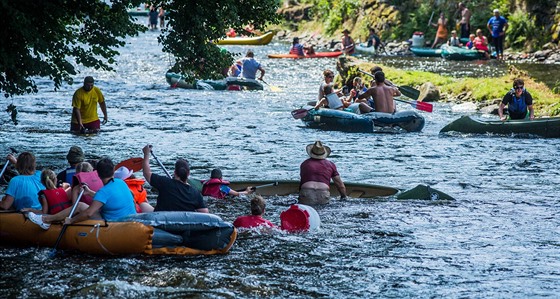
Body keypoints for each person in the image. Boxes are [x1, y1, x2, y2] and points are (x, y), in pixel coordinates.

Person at [28, 158, 137, 229]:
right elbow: (109, 198)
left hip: (114, 224)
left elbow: (88, 213)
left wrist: (71, 220)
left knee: (80, 205)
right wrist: (89, 193)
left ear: (97, 174)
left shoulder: (103, 192)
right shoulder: (120, 182)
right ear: (113, 171)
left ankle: (46, 220)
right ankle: (47, 219)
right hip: (128, 219)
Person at [142, 145, 208, 213]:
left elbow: (146, 173)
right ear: (188, 174)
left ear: (174, 173)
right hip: (183, 221)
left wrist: (146, 154)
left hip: (161, 219)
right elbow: (205, 213)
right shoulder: (195, 193)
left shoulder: (165, 183)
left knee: (142, 203)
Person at [299, 141, 347, 205]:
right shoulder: (330, 165)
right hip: (323, 193)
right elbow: (340, 185)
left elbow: (302, 182)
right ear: (324, 153)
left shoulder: (304, 164)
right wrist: (344, 197)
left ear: (311, 152)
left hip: (306, 192)